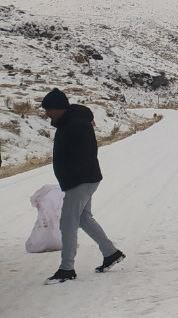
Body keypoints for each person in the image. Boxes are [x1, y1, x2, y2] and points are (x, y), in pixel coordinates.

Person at [40, 88, 125, 284]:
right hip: (83, 179)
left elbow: (86, 154)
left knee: (68, 223)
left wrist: (72, 177)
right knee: (83, 218)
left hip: (80, 180)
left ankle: (66, 269)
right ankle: (111, 253)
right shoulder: (68, 122)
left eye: (49, 110)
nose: (47, 114)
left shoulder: (76, 124)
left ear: (59, 108)